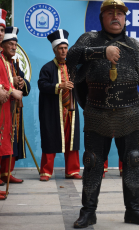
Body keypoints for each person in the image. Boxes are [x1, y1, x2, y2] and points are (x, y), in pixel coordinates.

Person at [67, 0, 139, 228]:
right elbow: (71, 57)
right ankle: (88, 211)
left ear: (125, 18)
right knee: (93, 161)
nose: (116, 17)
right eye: (110, 13)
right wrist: (101, 52)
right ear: (102, 18)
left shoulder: (134, 47)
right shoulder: (89, 39)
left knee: (133, 160)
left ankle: (133, 211)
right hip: (97, 111)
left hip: (129, 112)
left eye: (120, 13)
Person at [38, 29, 81, 181]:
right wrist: (59, 86)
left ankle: (72, 170)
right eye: (61, 48)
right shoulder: (47, 68)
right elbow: (42, 85)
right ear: (55, 50)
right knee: (50, 138)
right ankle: (46, 171)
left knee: (72, 140)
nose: (64, 51)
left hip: (71, 110)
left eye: (65, 48)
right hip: (53, 111)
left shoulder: (73, 67)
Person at [0, 9, 23, 200]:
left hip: (2, 110)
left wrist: (14, 87)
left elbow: (6, 81)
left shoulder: (1, 57)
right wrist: (1, 91)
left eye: (1, 30)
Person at [0, 27, 30, 184]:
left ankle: (7, 172)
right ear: (2, 45)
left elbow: (26, 89)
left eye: (15, 45)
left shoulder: (16, 65)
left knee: (13, 140)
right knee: (0, 140)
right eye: (10, 44)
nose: (13, 47)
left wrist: (21, 82)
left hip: (14, 111)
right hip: (0, 109)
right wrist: (12, 84)